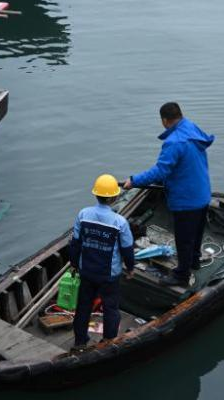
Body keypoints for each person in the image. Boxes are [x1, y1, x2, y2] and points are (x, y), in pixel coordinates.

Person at [123, 102, 213, 288]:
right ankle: (194, 261)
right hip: (202, 193)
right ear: (181, 115)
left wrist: (134, 180)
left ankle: (181, 275)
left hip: (186, 200)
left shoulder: (173, 142)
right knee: (196, 233)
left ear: (164, 120)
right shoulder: (191, 127)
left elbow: (160, 172)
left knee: (184, 239)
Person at [69, 174, 135, 349]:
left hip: (87, 271)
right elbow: (127, 249)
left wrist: (74, 264)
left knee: (83, 307)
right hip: (109, 276)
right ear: (114, 197)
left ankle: (80, 341)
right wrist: (131, 268)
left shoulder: (83, 214)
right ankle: (108, 342)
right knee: (110, 308)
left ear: (96, 195)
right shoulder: (120, 222)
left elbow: (75, 243)